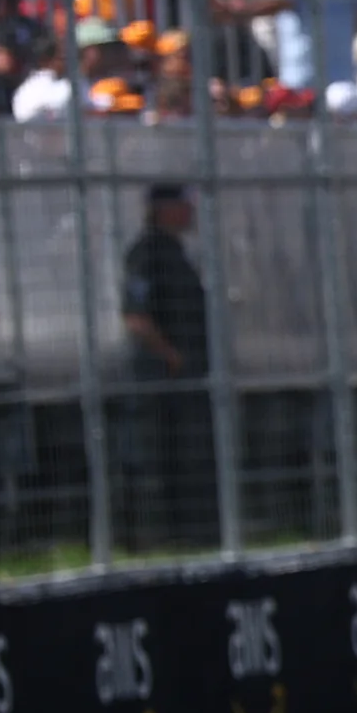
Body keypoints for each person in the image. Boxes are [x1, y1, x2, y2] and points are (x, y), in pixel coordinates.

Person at [119, 183, 215, 550]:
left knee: (187, 458)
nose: (190, 213)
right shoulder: (147, 254)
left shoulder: (177, 253)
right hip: (158, 378)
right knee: (151, 458)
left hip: (183, 376)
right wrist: (171, 355)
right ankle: (147, 538)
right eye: (183, 205)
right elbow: (137, 316)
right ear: (164, 208)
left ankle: (188, 533)